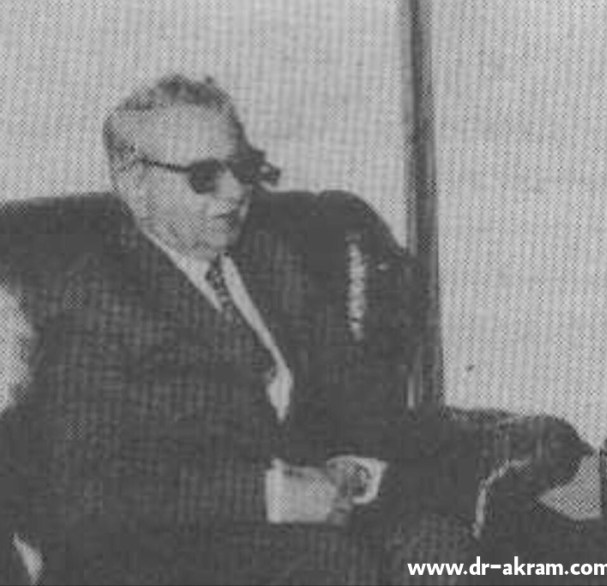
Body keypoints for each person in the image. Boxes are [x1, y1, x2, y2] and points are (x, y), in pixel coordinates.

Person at [23, 74, 475, 585]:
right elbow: (87, 491)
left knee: (436, 545)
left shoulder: (268, 261)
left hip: (312, 525)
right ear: (135, 186)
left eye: (240, 168)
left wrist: (364, 466)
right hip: (171, 552)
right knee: (331, 567)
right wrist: (271, 495)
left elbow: (362, 398)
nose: (237, 192)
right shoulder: (94, 300)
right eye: (204, 176)